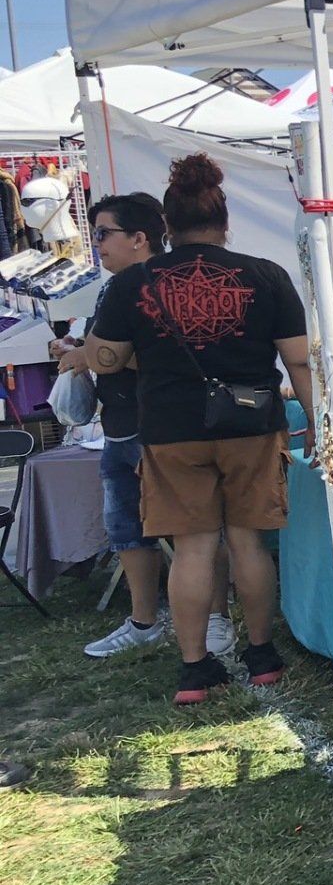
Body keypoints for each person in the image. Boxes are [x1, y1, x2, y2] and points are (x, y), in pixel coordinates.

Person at [87, 154, 314, 705]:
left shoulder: (133, 283)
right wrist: (319, 422)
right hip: (251, 426)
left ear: (166, 225)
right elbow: (299, 360)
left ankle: (194, 670)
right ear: (224, 220)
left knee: (192, 549)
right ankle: (261, 655)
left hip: (171, 431)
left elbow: (106, 359)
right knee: (247, 543)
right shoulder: (266, 274)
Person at [59, 194, 238, 659]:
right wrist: (80, 348)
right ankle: (143, 621)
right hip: (118, 426)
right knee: (127, 530)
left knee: (195, 531)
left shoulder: (165, 285)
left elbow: (176, 359)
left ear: (140, 238)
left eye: (104, 233)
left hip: (164, 428)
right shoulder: (113, 288)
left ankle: (216, 617)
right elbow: (106, 348)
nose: (97, 244)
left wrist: (92, 356)